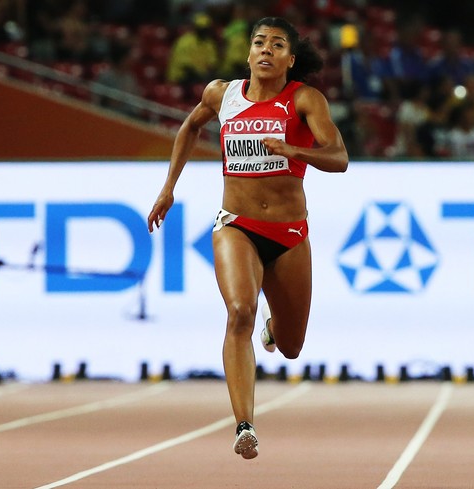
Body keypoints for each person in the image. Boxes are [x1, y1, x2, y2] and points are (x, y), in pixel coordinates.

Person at [147, 17, 348, 459]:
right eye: (259, 42)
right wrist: (168, 188)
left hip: (290, 233)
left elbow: (339, 157)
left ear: (290, 60)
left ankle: (273, 330)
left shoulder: (304, 100)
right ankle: (245, 425)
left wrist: (297, 150)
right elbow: (189, 127)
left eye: (277, 45)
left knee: (292, 347)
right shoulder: (223, 94)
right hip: (235, 225)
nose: (266, 50)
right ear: (248, 53)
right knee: (239, 310)